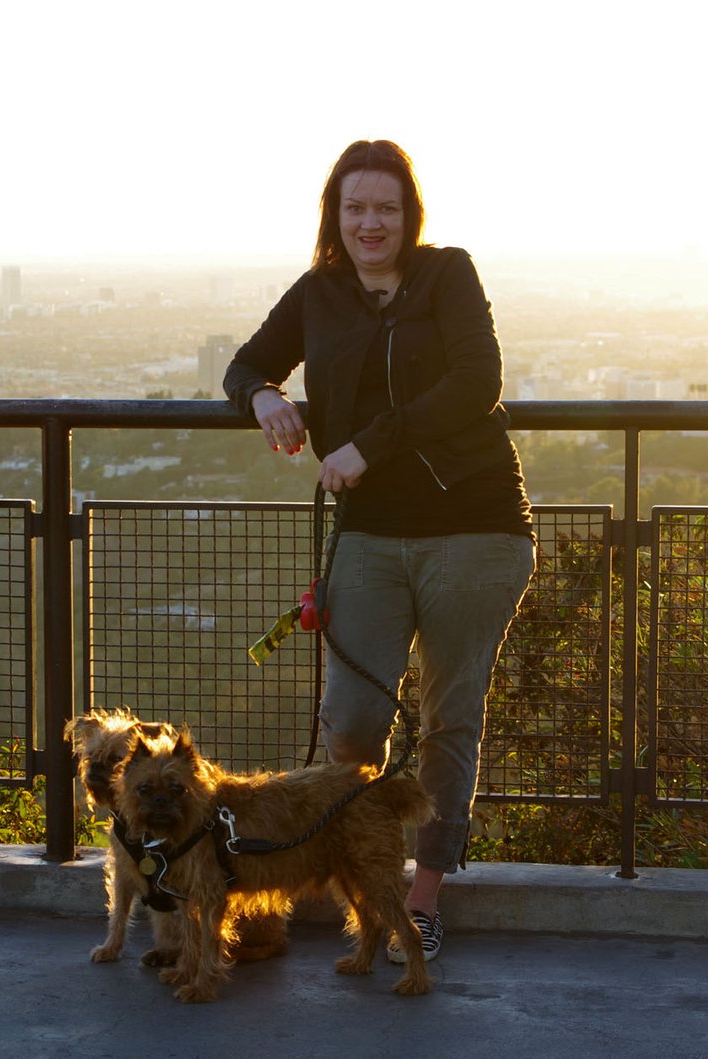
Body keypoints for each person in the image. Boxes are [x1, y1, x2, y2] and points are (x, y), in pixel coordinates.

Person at [223, 139, 534, 963]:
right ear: (336, 215)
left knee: (448, 719)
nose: (371, 222)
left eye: (386, 208)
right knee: (353, 722)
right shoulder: (319, 293)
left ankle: (422, 900)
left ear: (410, 215)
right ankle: (372, 876)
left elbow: (477, 383)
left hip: (475, 526)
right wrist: (262, 396)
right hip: (368, 535)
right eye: (355, 207)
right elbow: (246, 361)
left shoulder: (448, 275)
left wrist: (369, 444)